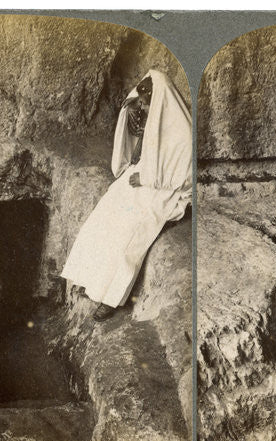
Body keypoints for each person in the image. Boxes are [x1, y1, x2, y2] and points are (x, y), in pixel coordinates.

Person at [60, 70, 194, 321]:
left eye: (145, 103)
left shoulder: (184, 131)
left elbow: (185, 175)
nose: (143, 107)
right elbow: (142, 145)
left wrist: (146, 179)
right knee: (104, 216)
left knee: (129, 233)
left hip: (165, 191)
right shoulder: (155, 119)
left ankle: (110, 297)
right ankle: (91, 280)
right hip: (145, 177)